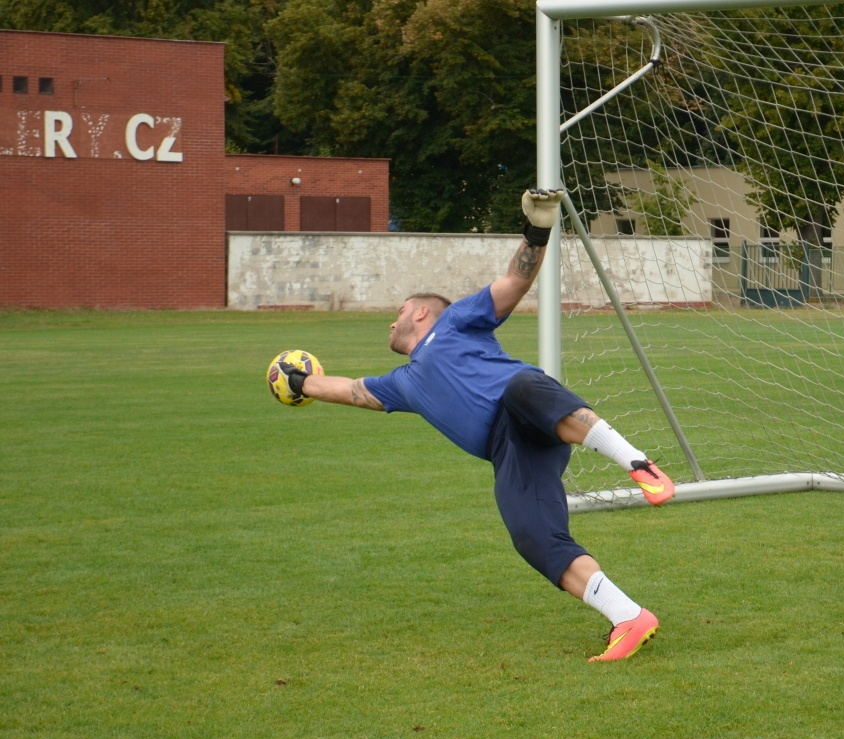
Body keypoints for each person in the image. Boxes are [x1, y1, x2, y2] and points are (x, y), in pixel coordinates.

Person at [273, 189, 671, 662]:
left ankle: (638, 463)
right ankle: (628, 616)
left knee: (524, 388)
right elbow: (351, 390)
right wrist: (300, 382)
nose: (391, 322)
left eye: (398, 312)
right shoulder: (401, 382)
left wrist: (537, 229)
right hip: (511, 452)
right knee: (533, 539)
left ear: (421, 311)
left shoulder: (456, 320)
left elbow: (514, 282)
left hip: (523, 401)